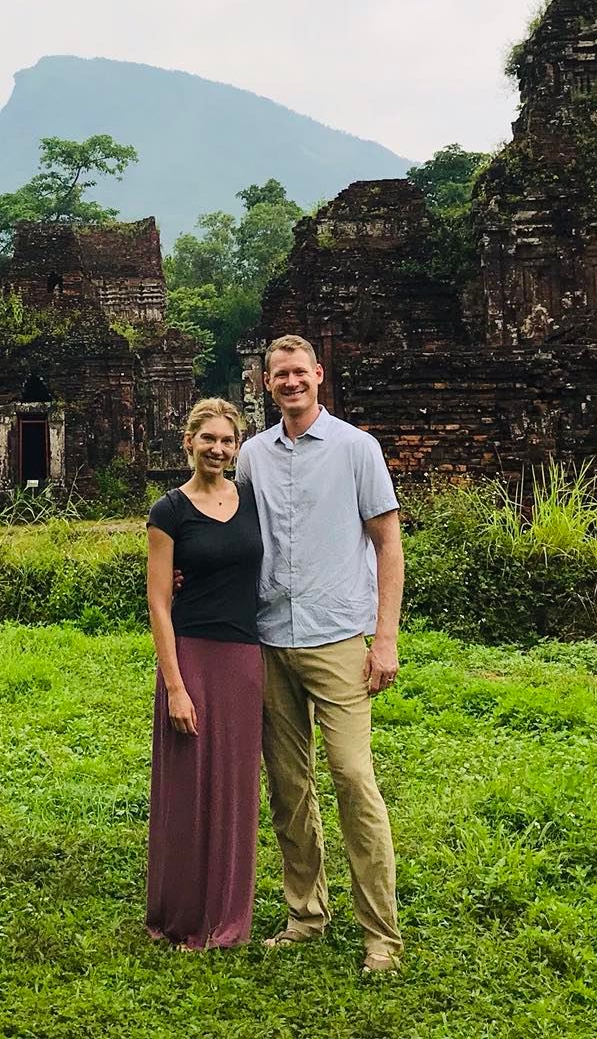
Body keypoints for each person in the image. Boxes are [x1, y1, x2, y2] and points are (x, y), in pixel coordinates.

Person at [235, 333, 405, 975]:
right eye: (279, 374)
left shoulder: (357, 448)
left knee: (353, 779)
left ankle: (380, 935)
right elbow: (232, 530)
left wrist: (384, 639)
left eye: (299, 373)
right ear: (266, 382)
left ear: (318, 375)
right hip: (270, 636)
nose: (290, 382)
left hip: (337, 637)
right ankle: (305, 914)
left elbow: (388, 544)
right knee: (288, 786)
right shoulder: (253, 455)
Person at [144, 397, 264, 950]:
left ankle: (228, 915)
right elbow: (159, 602)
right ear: (188, 442)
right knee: (188, 786)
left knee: (235, 788)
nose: (218, 449)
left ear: (237, 448)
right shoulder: (169, 511)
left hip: (243, 657)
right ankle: (183, 913)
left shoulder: (253, 500)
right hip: (190, 655)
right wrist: (175, 686)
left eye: (227, 441)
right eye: (208, 438)